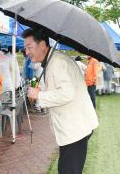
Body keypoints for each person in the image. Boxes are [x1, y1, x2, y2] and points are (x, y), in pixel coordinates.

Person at [23, 28, 98, 174]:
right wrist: (40, 92)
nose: (26, 52)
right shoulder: (52, 60)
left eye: (29, 47)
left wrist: (39, 95)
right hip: (73, 129)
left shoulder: (57, 62)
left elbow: (66, 93)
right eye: (25, 48)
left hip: (75, 130)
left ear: (43, 45)